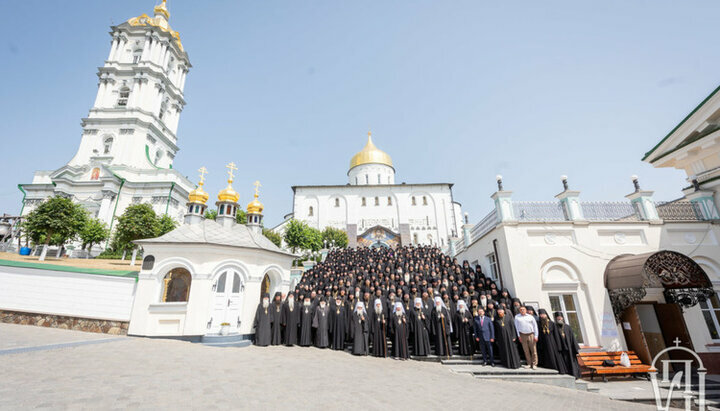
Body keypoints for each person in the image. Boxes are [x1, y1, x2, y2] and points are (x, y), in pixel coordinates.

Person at [537, 308, 564, 373]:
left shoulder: (552, 323)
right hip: (543, 343)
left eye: (543, 314)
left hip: (552, 343)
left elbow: (556, 335)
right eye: (540, 315)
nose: (542, 316)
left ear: (546, 315)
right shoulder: (538, 324)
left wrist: (558, 345)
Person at [555, 312, 581, 378]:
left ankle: (574, 374)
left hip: (569, 347)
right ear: (556, 318)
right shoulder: (555, 327)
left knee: (571, 361)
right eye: (558, 317)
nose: (559, 318)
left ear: (562, 318)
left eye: (560, 317)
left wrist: (575, 348)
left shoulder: (567, 327)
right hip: (560, 348)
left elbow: (572, 338)